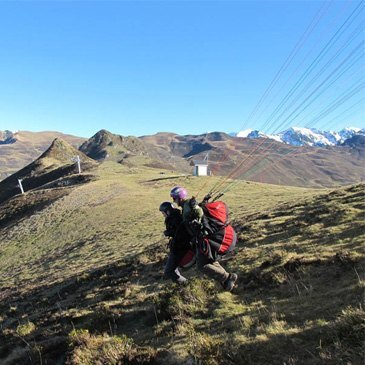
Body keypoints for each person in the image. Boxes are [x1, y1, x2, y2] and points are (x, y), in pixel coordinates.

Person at [170, 186, 238, 292]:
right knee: (210, 261)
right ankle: (227, 282)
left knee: (202, 265)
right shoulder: (187, 206)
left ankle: (228, 277)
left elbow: (199, 212)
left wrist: (196, 221)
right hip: (201, 239)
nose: (174, 201)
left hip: (203, 238)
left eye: (174, 198)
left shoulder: (188, 205)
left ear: (180, 197)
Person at [159, 201, 195, 285]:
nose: (163, 215)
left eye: (163, 213)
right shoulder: (177, 216)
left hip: (180, 248)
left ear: (168, 211)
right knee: (172, 269)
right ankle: (182, 284)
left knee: (169, 271)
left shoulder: (174, 219)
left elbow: (180, 234)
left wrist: (169, 233)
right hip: (180, 246)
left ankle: (185, 285)